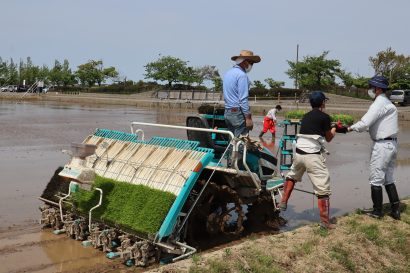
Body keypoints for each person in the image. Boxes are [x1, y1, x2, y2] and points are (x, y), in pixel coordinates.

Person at [279, 91, 337, 229]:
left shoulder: (305, 116)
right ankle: (325, 222)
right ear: (322, 103)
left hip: (298, 153)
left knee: (292, 176)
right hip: (313, 156)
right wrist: (335, 128)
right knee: (323, 188)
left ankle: (283, 201)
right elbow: (328, 138)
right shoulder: (325, 117)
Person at [347, 75, 400, 220]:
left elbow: (365, 123)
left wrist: (349, 128)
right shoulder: (388, 103)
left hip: (382, 145)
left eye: (371, 87)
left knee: (376, 179)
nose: (369, 90)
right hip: (392, 143)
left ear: (377, 89)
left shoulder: (379, 103)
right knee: (388, 178)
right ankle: (395, 210)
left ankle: (377, 212)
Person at [223, 50, 261, 137]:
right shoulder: (242, 75)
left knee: (232, 140)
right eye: (251, 62)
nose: (251, 65)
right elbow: (243, 99)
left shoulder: (228, 73)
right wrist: (248, 118)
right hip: (237, 113)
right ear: (245, 62)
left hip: (228, 112)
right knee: (241, 142)